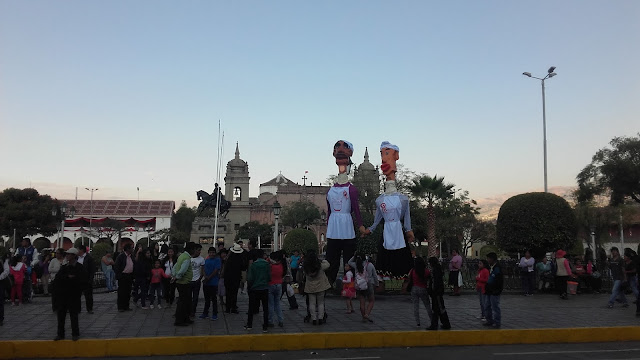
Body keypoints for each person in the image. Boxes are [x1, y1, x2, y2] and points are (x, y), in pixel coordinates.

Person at [361, 142, 414, 278]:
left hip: (399, 231)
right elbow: (377, 219)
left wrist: (409, 230)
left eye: (386, 154)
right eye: (382, 154)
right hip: (387, 232)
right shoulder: (380, 200)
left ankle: (406, 281)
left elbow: (407, 217)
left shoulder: (403, 199)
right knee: (384, 256)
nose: (383, 159)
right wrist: (369, 230)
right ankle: (384, 281)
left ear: (395, 156)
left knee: (403, 256)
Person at [325, 140, 365, 286]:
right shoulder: (331, 190)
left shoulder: (352, 190)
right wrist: (328, 224)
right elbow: (329, 211)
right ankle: (329, 283)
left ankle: (350, 284)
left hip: (347, 226)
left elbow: (356, 209)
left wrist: (360, 225)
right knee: (331, 258)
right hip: (334, 228)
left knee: (349, 257)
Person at [54, 248, 88, 341]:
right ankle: (60, 334)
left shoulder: (80, 267)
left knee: (74, 315)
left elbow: (82, 280)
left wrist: (71, 280)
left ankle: (75, 334)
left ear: (74, 256)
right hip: (63, 295)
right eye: (67, 254)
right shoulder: (64, 267)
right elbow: (58, 279)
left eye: (69, 254)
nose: (67, 256)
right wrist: (68, 277)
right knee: (61, 315)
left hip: (74, 295)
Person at [244, 249, 270, 332]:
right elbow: (269, 277)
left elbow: (250, 278)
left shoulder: (253, 265)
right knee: (265, 308)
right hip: (264, 288)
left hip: (255, 288)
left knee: (251, 307)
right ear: (263, 255)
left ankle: (249, 325)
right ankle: (265, 326)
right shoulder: (267, 264)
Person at [303, 250, 331, 325]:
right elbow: (328, 264)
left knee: (312, 303)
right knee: (321, 303)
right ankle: (320, 318)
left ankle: (314, 318)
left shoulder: (306, 266)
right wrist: (322, 260)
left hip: (310, 287)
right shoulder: (320, 266)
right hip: (321, 286)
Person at [348, 254, 379, 323]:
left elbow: (349, 262)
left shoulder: (356, 265)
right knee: (371, 300)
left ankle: (363, 317)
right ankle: (367, 314)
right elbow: (375, 275)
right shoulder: (370, 265)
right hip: (369, 284)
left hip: (359, 285)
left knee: (362, 302)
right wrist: (377, 284)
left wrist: (355, 255)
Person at [173, 242, 197, 326]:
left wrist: (174, 275)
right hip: (184, 283)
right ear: (191, 249)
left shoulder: (181, 256)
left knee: (186, 302)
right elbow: (182, 270)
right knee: (183, 303)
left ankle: (186, 318)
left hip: (182, 283)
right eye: (194, 249)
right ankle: (180, 320)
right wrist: (177, 276)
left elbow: (175, 266)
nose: (195, 251)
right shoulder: (186, 258)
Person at [426, 257, 451, 330]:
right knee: (438, 308)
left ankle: (439, 324)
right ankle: (443, 324)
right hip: (436, 292)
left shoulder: (436, 270)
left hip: (437, 293)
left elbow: (435, 282)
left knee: (438, 308)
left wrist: (433, 290)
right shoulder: (437, 269)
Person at [409, 256, 433, 327]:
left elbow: (409, 278)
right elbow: (429, 279)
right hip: (423, 288)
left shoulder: (413, 271)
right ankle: (432, 320)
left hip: (414, 289)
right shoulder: (426, 271)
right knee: (427, 306)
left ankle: (418, 322)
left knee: (416, 306)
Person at [200, 247, 221, 321]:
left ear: (215, 253)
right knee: (207, 299)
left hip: (214, 282)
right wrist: (205, 277)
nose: (212, 254)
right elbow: (203, 269)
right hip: (206, 283)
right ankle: (205, 313)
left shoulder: (217, 260)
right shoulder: (206, 260)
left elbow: (216, 270)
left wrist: (208, 278)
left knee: (214, 299)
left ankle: (215, 314)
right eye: (210, 252)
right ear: (208, 253)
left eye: (213, 252)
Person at [483, 252, 503, 329]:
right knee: (487, 306)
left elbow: (498, 280)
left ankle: (497, 322)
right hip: (489, 290)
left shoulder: (497, 268)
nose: (487, 260)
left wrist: (497, 289)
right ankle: (489, 320)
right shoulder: (491, 267)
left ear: (492, 259)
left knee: (495, 307)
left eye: (488, 258)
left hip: (494, 290)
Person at [224, 244, 245, 314]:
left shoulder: (228, 259)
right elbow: (243, 268)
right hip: (236, 278)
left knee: (228, 293)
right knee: (234, 293)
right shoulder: (240, 259)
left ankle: (227, 308)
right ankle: (233, 307)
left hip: (228, 278)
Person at [114, 243, 135, 312]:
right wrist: (119, 275)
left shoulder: (131, 256)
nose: (132, 249)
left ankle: (126, 306)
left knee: (128, 292)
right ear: (128, 249)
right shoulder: (121, 256)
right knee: (122, 292)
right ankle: (120, 306)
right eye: (131, 248)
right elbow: (117, 267)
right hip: (123, 275)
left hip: (129, 275)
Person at [267, 251, 285, 327]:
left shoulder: (271, 266)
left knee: (271, 304)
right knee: (277, 304)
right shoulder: (281, 266)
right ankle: (280, 320)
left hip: (271, 284)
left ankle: (270, 321)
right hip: (279, 284)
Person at [76, 245, 95, 314]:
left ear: (81, 250)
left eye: (78, 250)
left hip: (86, 279)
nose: (77, 251)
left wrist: (90, 279)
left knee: (88, 295)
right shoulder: (76, 258)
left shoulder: (89, 258)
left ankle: (89, 308)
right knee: (77, 295)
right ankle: (77, 309)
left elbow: (92, 270)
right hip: (78, 279)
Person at [190, 244, 205, 319]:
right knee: (188, 297)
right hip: (189, 280)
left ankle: (193, 311)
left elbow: (202, 271)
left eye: (200, 250)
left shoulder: (201, 259)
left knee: (195, 298)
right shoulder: (188, 258)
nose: (199, 252)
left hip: (196, 280)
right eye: (198, 250)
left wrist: (199, 279)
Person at [0, 253, 10, 326]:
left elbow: (6, 270)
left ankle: (0, 319)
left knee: (0, 300)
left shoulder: (3, 259)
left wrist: (0, 277)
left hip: (0, 281)